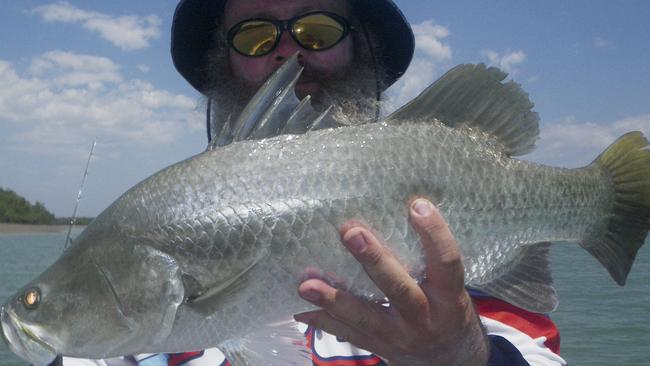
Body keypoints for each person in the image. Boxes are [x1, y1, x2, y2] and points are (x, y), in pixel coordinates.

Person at [56, 0, 566, 365]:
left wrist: (465, 357)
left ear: (360, 47)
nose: (288, 53)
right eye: (255, 35)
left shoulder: (459, 268)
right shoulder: (129, 298)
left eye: (318, 30)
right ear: (223, 59)